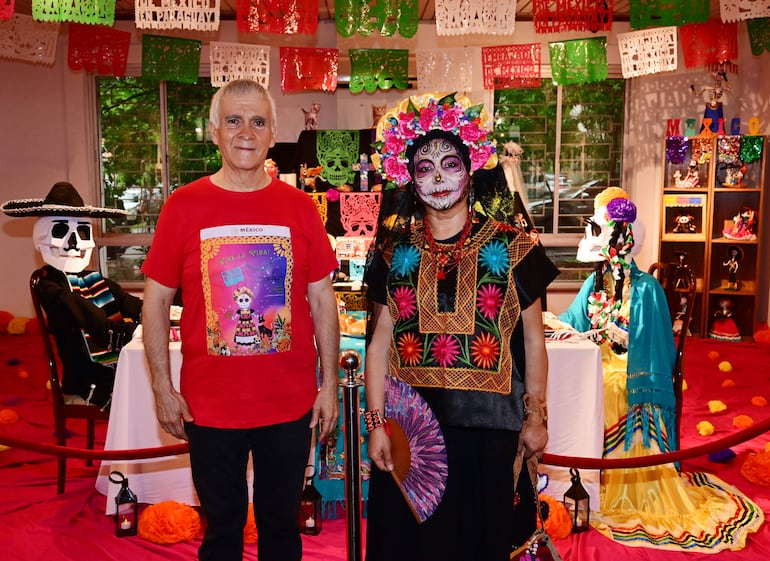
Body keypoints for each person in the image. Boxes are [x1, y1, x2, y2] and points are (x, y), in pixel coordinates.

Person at [141, 79, 340, 561]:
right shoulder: (183, 206)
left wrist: (329, 383)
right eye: (233, 120)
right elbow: (154, 301)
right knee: (222, 534)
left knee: (281, 534)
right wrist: (163, 389)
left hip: (288, 407)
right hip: (209, 409)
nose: (245, 132)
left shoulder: (300, 208)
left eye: (257, 121)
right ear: (214, 130)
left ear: (273, 133)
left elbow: (321, 301)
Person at [362, 92, 560, 561]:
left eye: (450, 164)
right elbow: (377, 345)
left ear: (471, 170)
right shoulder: (393, 251)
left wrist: (536, 416)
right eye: (424, 168)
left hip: (490, 435)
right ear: (409, 179)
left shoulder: (515, 248)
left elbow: (534, 339)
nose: (438, 178)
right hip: (410, 434)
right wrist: (375, 425)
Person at [558, 188, 763, 552]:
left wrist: (618, 340)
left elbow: (654, 348)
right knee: (577, 382)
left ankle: (615, 482)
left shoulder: (646, 288)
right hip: (597, 357)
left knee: (611, 385)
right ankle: (576, 477)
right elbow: (571, 322)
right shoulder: (594, 282)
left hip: (630, 367)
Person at [2, 181, 141, 409]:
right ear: (42, 236)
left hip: (113, 368)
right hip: (88, 380)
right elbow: (91, 319)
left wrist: (167, 311)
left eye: (82, 232)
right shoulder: (49, 287)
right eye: (61, 231)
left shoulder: (93, 279)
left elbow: (130, 303)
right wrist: (136, 332)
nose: (74, 242)